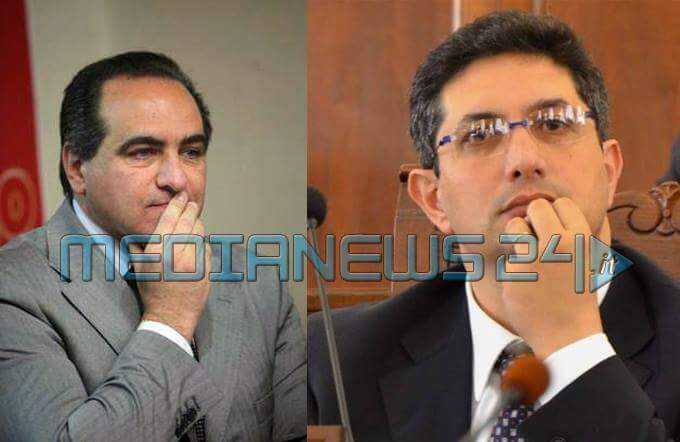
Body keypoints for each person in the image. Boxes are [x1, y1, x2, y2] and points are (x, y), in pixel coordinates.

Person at [308, 11, 680, 441]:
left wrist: (571, 347)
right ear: (433, 199)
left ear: (609, 171)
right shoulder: (331, 363)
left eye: (554, 123)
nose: (524, 160)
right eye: (481, 135)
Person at [0, 52, 306, 441]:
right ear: (76, 167)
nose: (176, 179)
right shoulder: (13, 290)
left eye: (191, 152)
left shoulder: (258, 283)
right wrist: (169, 321)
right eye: (143, 152)